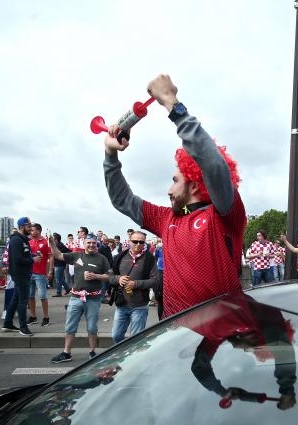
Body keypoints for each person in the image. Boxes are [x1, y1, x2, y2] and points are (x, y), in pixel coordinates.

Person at [103, 74, 245, 318]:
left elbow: (212, 163)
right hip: (175, 334)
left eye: (175, 181)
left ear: (195, 184)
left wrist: (171, 102)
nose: (168, 190)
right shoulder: (165, 218)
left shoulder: (223, 214)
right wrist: (109, 154)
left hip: (223, 333)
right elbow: (121, 199)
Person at [48, 234, 111, 362]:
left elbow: (110, 276)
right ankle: (66, 353)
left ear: (96, 244)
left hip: (93, 299)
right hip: (76, 298)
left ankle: (93, 352)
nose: (91, 245)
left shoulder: (102, 258)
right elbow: (59, 255)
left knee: (92, 327)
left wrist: (96, 276)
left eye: (94, 243)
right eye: (89, 243)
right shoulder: (77, 255)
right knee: (70, 326)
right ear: (84, 243)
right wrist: (52, 244)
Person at [109, 230, 157, 344]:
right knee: (116, 336)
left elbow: (155, 281)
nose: (138, 244)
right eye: (135, 241)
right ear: (129, 241)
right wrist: (118, 279)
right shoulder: (120, 256)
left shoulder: (150, 258)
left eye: (141, 242)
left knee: (136, 340)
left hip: (139, 306)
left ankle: (132, 360)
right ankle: (122, 358)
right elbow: (110, 276)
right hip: (122, 304)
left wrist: (135, 284)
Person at [2, 217, 37, 336]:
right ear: (22, 226)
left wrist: (32, 256)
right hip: (20, 274)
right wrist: (33, 260)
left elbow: (24, 254)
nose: (31, 228)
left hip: (23, 273)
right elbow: (17, 259)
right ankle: (23, 327)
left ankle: (7, 323)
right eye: (28, 226)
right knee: (23, 301)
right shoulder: (16, 240)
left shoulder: (22, 239)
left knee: (16, 299)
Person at [27, 223, 52, 327]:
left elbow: (51, 257)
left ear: (38, 230)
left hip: (40, 273)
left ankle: (46, 317)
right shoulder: (29, 242)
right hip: (29, 272)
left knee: (42, 296)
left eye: (32, 230)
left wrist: (50, 271)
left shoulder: (46, 242)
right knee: (30, 296)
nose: (30, 232)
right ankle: (33, 317)